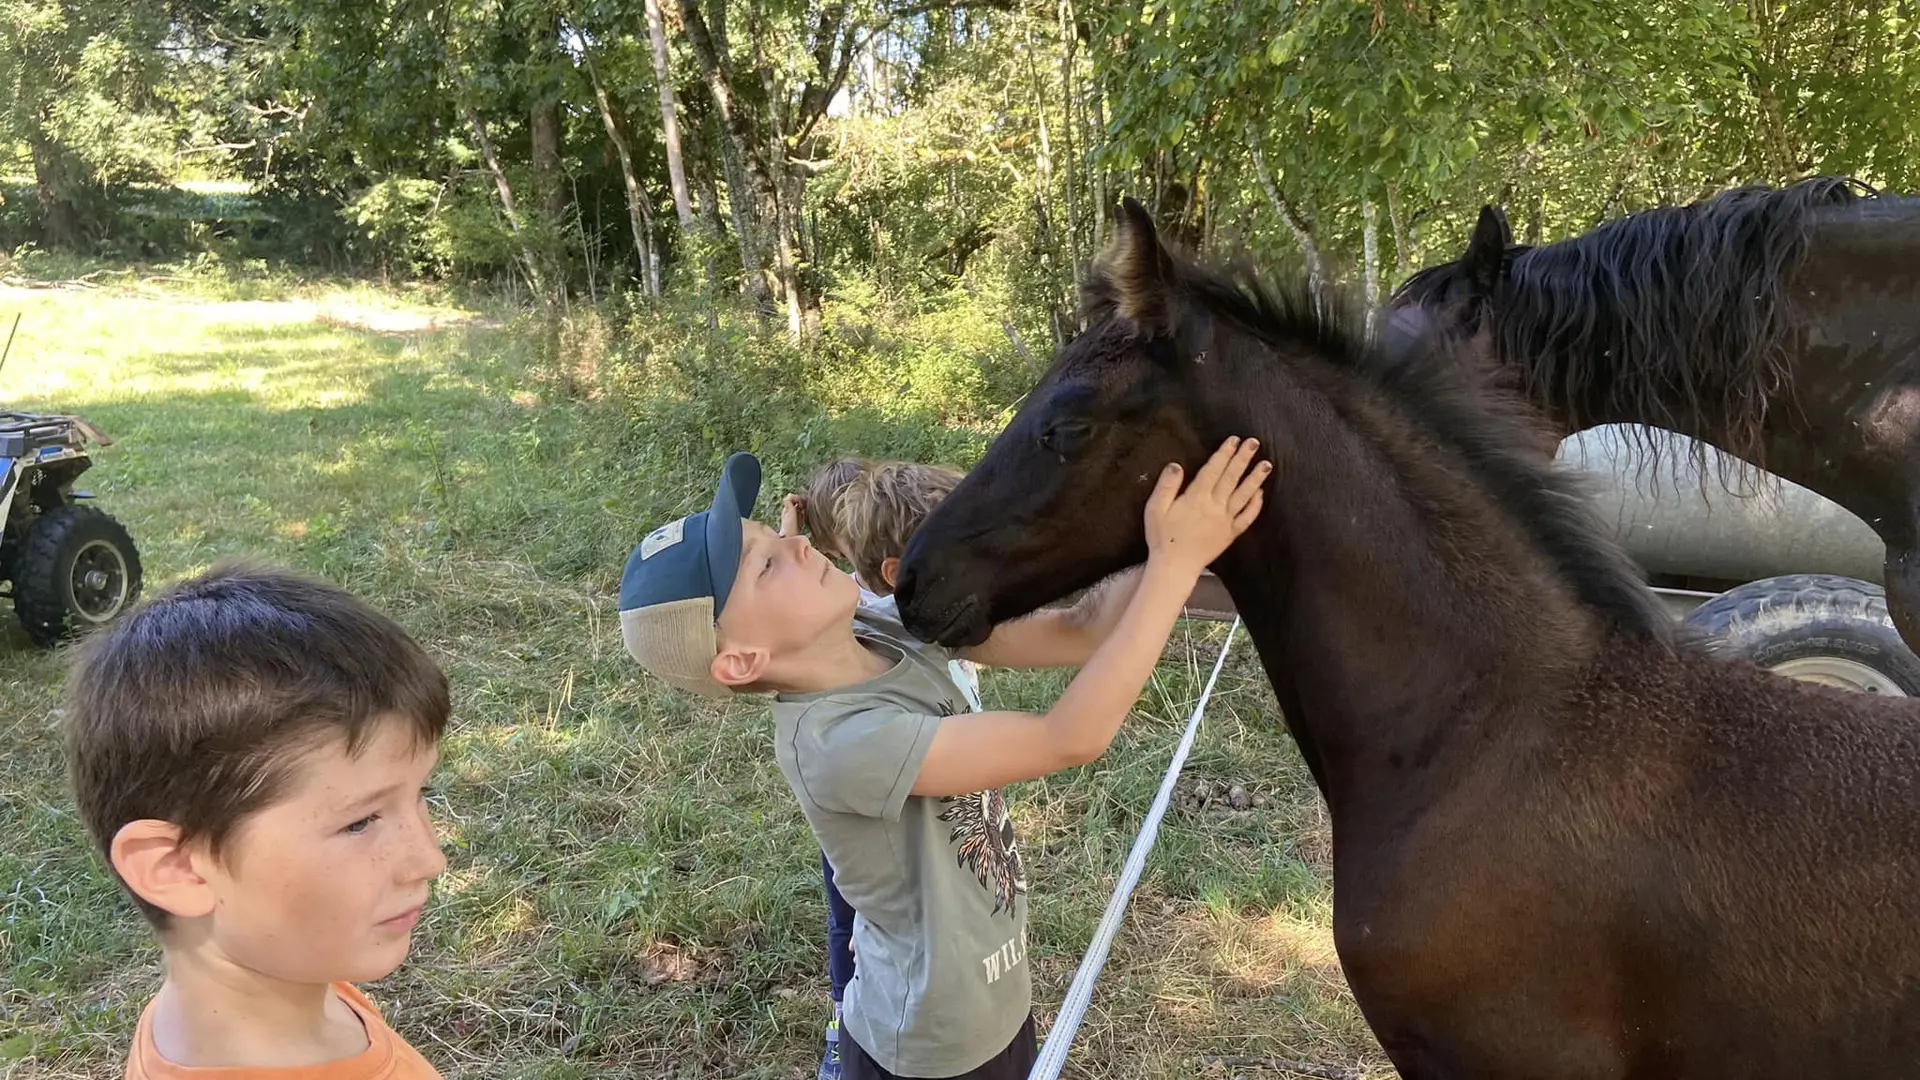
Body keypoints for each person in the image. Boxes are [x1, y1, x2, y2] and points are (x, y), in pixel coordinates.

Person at [618, 437, 1269, 1079]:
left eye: (774, 535)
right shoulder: (839, 742)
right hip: (930, 1048)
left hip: (994, 1001)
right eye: (765, 566)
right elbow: (1068, 736)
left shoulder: (883, 627)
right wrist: (1176, 565)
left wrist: (1153, 528)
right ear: (742, 661)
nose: (797, 545)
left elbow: (1083, 632)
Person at [61, 561, 450, 1079]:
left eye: (422, 792)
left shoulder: (268, 989)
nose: (430, 859)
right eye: (360, 822)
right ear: (179, 868)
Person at [777, 457, 976, 1078]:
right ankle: (846, 1016)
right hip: (876, 795)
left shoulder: (901, 603)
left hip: (934, 773)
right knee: (853, 916)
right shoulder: (844, 609)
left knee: (884, 911)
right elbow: (1065, 737)